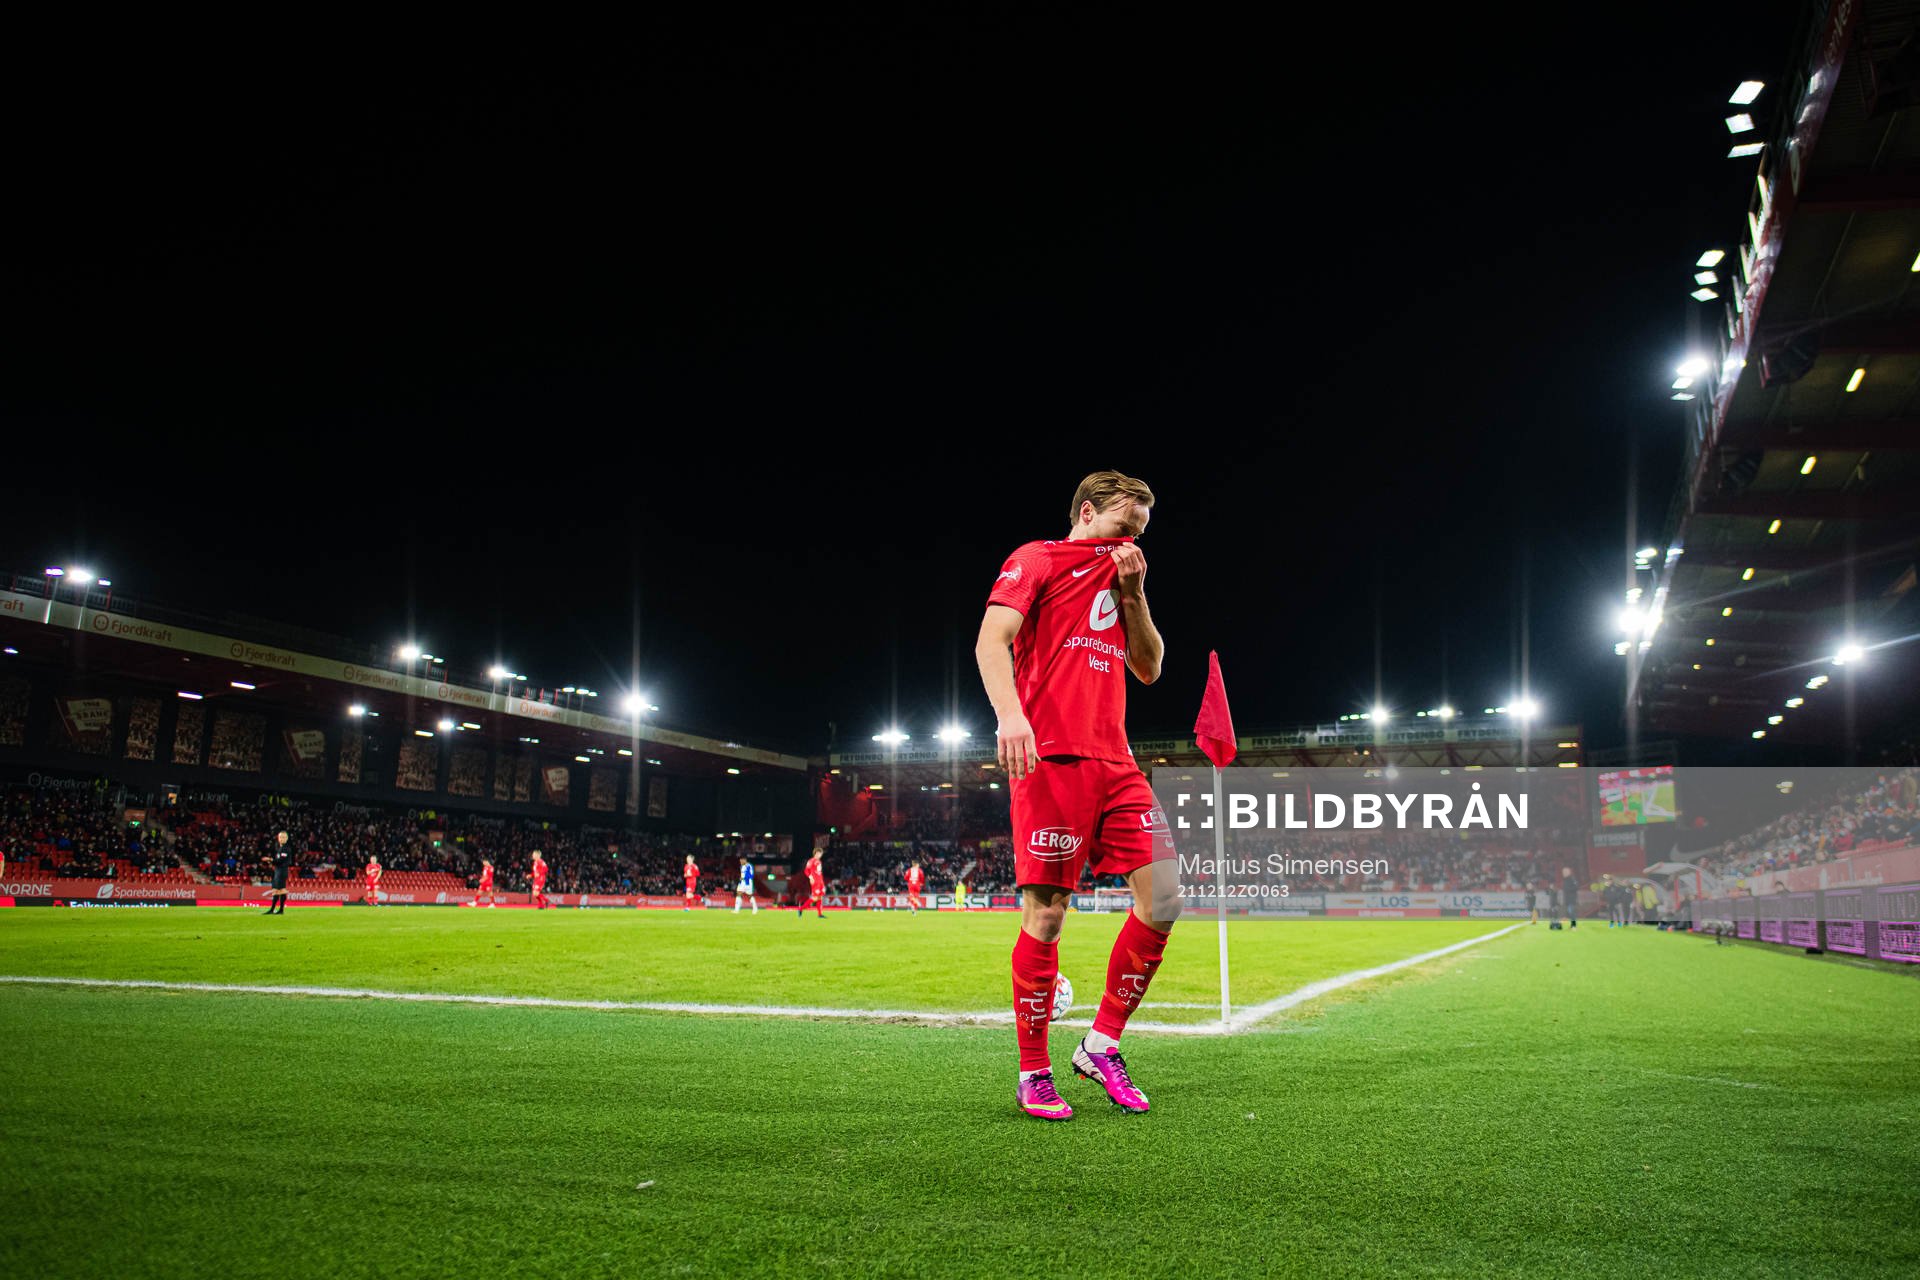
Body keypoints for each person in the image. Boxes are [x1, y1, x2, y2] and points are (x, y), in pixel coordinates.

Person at [976, 470, 1173, 1121]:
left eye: (1140, 537)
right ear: (1087, 512)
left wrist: (1135, 590)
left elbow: (1149, 668)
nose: (1130, 546)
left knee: (1165, 896)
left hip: (1116, 764)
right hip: (1050, 760)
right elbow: (991, 641)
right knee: (1048, 917)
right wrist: (1011, 716)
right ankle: (1034, 1073)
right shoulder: (1037, 559)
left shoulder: (1124, 581)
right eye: (1123, 530)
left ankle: (1101, 1044)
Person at [262, 831, 291, 916]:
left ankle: (280, 910)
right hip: (278, 871)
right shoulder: (280, 848)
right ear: (278, 838)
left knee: (281, 890)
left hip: (282, 871)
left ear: (287, 838)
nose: (282, 839)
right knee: (275, 890)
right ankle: (273, 909)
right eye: (280, 837)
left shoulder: (286, 849)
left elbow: (281, 861)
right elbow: (278, 862)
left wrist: (270, 860)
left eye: (284, 837)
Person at [796, 848, 825, 919]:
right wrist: (810, 877)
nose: (819, 855)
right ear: (815, 853)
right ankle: (801, 909)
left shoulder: (819, 861)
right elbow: (806, 870)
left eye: (820, 854)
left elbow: (819, 872)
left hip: (820, 881)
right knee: (815, 898)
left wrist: (822, 881)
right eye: (818, 853)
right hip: (815, 881)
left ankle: (820, 914)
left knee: (820, 897)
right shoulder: (811, 861)